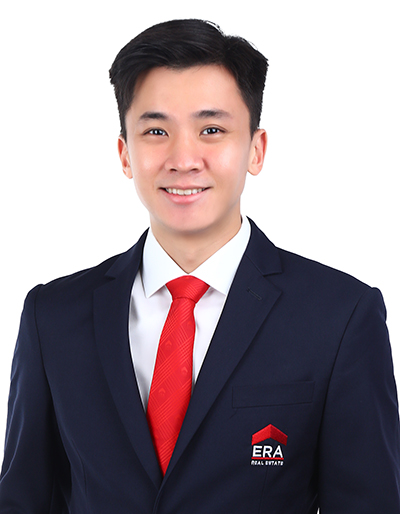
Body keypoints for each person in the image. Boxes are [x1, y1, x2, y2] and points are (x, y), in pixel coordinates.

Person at [0, 18, 399, 514]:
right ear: (125, 154)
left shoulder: (340, 316)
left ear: (256, 149)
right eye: (156, 130)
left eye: (212, 130)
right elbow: (23, 500)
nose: (184, 158)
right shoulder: (53, 316)